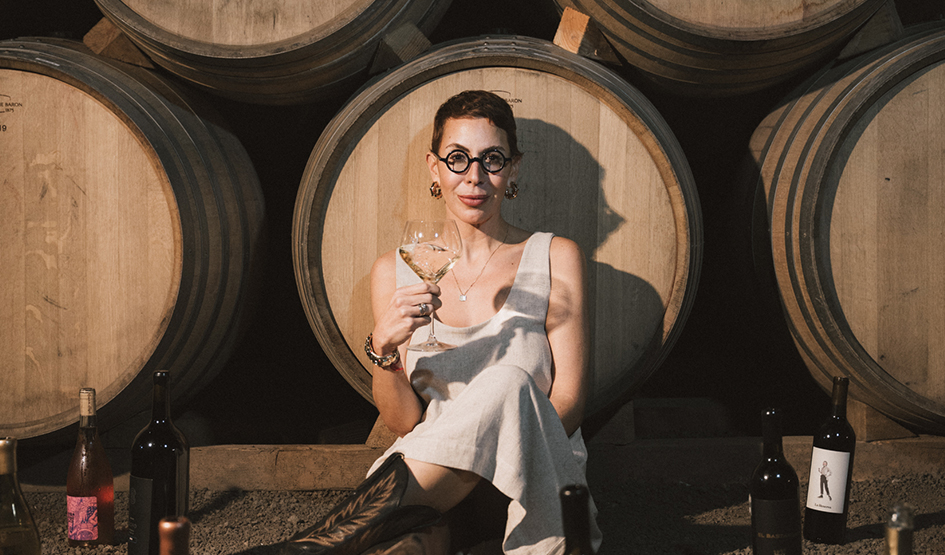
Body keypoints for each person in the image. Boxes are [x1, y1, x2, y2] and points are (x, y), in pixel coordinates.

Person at [283, 90, 602, 555]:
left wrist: (501, 441)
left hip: (527, 474)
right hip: (433, 482)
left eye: (492, 159)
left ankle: (306, 547)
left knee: (508, 383)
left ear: (514, 167)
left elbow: (570, 399)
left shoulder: (555, 256)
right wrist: (385, 349)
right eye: (458, 158)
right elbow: (404, 420)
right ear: (435, 168)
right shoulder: (396, 268)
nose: (474, 177)